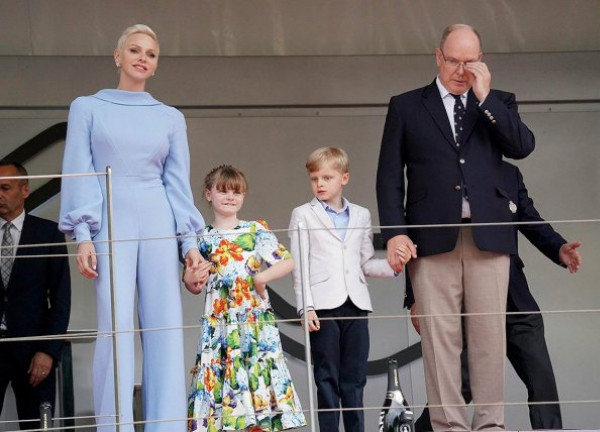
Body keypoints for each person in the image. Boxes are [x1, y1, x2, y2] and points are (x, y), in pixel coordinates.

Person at [376, 24, 536, 430]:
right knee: (439, 341)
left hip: (489, 240)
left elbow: (522, 147)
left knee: (488, 339)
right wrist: (395, 232)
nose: (461, 70)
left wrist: (485, 100)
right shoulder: (407, 106)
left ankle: (490, 426)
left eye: (470, 62)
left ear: (481, 61)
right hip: (431, 242)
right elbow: (390, 176)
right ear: (438, 57)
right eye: (453, 61)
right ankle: (448, 427)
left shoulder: (499, 103)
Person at [58, 24, 206, 432]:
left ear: (156, 66)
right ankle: (114, 426)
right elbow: (79, 170)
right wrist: (83, 235)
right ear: (117, 56)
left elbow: (177, 183)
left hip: (158, 215)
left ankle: (168, 426)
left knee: (164, 328)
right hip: (109, 219)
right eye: (135, 50)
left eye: (151, 54)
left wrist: (189, 244)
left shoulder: (171, 118)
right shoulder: (87, 107)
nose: (143, 58)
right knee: (116, 327)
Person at [405, 161, 582, 431]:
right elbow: (419, 234)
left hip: (516, 299)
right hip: (466, 303)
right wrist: (413, 297)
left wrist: (558, 247)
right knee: (459, 386)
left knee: (542, 380)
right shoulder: (445, 171)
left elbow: (530, 219)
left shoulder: (509, 173)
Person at [288, 147, 411, 432]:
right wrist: (305, 307)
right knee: (326, 377)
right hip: (322, 306)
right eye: (314, 178)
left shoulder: (361, 215)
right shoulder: (302, 215)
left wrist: (393, 266)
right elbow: (300, 266)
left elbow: (365, 263)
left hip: (356, 304)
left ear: (344, 178)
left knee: (354, 378)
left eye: (327, 177)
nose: (319, 184)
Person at [184, 165, 306, 432]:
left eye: (236, 192)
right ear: (208, 194)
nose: (230, 196)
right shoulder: (202, 237)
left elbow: (287, 262)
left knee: (256, 391)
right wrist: (194, 277)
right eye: (223, 190)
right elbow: (192, 284)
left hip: (254, 321)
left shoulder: (255, 229)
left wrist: (261, 278)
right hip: (220, 325)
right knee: (221, 394)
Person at [0, 161, 71, 430]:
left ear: (25, 190)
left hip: (34, 352)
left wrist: (47, 350)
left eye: (6, 188)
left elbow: (61, 299)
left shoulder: (48, 233)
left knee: (36, 425)